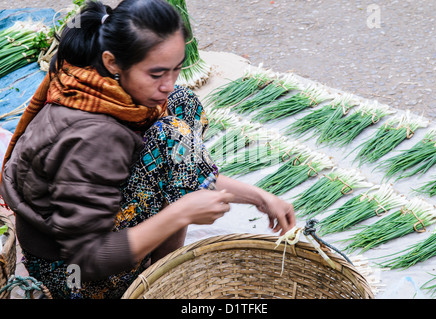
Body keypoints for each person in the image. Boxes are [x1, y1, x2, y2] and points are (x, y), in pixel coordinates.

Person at [0, 0, 295, 299]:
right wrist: (179, 213)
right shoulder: (95, 135)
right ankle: (155, 285)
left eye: (176, 69)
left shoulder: (108, 86)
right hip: (69, 273)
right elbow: (85, 259)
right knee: (171, 137)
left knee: (181, 103)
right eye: (156, 74)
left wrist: (259, 197)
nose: (167, 83)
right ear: (113, 62)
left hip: (88, 227)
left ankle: (159, 270)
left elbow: (186, 166)